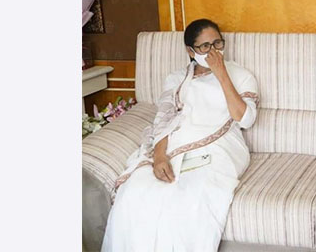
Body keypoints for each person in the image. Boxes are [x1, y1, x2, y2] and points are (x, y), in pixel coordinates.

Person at [101, 19, 259, 252]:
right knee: (136, 192)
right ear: (191, 51)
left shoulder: (241, 75)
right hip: (175, 144)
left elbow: (245, 119)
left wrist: (222, 74)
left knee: (191, 197)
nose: (213, 51)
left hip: (220, 146)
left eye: (217, 43)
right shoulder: (177, 78)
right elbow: (164, 119)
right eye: (205, 46)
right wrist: (159, 156)